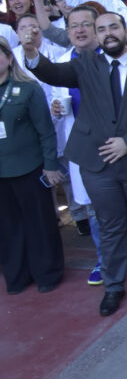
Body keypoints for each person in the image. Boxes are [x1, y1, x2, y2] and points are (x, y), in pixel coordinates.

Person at [23, 11, 127, 316]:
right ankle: (113, 286)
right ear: (96, 36)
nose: (108, 33)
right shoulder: (85, 64)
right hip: (98, 164)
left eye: (113, 27)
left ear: (125, 30)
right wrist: (32, 54)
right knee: (109, 227)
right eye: (101, 29)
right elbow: (52, 74)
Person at [0, 37, 65, 294]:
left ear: (8, 57)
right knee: (7, 227)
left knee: (39, 222)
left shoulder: (28, 88)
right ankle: (16, 276)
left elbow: (45, 131)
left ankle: (47, 273)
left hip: (29, 167)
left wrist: (50, 165)